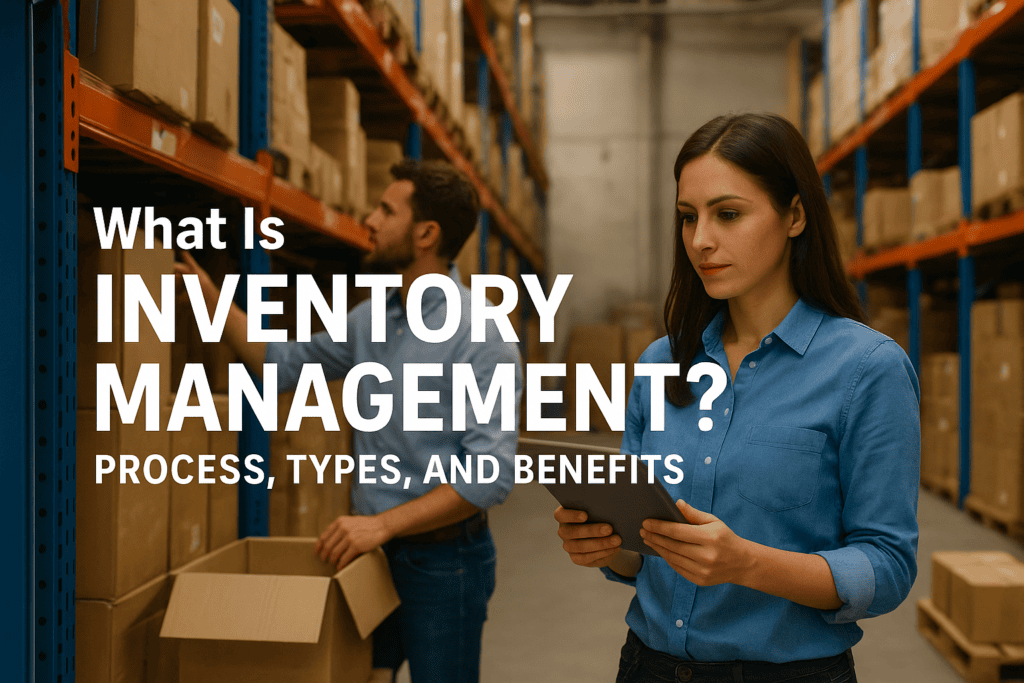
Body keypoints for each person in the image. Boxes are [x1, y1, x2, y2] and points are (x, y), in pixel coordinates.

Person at [555, 113, 919, 683]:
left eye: (728, 214)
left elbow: (887, 566)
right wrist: (606, 547)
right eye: (687, 217)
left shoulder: (866, 369)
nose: (701, 239)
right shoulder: (661, 363)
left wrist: (747, 563)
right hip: (647, 665)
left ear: (795, 215)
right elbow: (641, 552)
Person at [176, 159, 523, 683]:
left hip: (445, 564)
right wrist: (211, 298)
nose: (370, 218)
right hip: (373, 558)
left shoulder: (481, 336)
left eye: (387, 210)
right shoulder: (373, 320)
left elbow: (489, 477)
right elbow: (282, 363)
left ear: (425, 233)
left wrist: (379, 524)